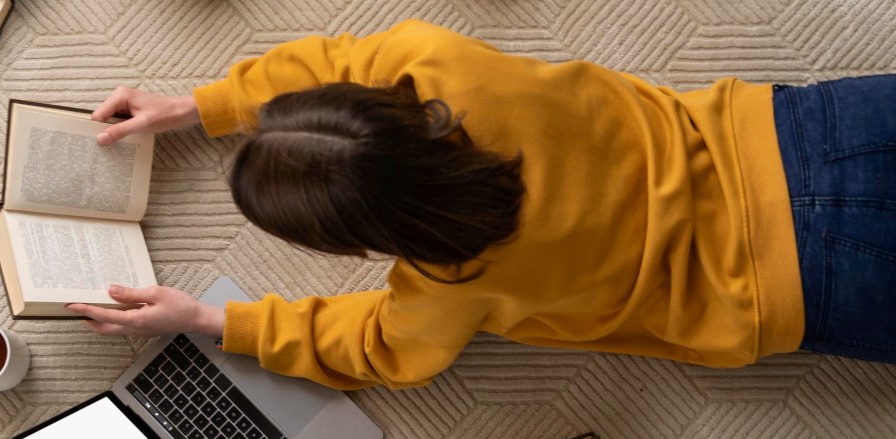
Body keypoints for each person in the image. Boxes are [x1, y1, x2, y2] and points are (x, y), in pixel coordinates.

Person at [65, 20, 896, 390]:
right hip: (798, 134)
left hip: (797, 282)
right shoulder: (430, 59)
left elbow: (380, 350)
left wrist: (214, 321)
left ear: (359, 245)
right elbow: (328, 59)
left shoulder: (452, 278)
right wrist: (201, 106)